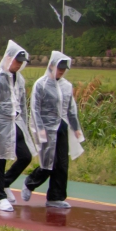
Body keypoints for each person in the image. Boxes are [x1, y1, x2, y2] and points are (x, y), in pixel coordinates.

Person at [0, 40, 36, 212]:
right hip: (0, 122)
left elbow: (22, 104)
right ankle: (0, 197)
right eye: (17, 61)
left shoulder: (20, 79)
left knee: (25, 156)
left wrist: (24, 125)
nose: (19, 65)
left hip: (16, 122)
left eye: (21, 62)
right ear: (9, 58)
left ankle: (5, 183)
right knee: (0, 158)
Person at [23, 51, 86, 209]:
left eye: (64, 70)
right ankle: (30, 183)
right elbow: (35, 109)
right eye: (59, 68)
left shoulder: (66, 86)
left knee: (62, 164)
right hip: (46, 128)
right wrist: (40, 128)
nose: (61, 72)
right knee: (48, 163)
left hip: (62, 127)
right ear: (52, 66)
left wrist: (76, 128)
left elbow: (71, 110)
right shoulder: (41, 84)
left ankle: (55, 197)